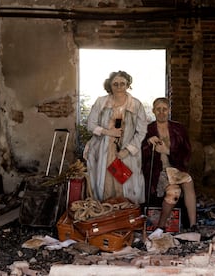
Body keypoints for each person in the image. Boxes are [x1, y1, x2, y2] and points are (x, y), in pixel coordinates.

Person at [84, 70, 147, 204]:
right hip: (103, 150)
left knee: (125, 183)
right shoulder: (101, 102)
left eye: (122, 84)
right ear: (110, 85)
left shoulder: (136, 105)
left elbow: (141, 131)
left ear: (127, 85)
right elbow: (90, 125)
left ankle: (125, 215)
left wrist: (127, 150)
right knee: (105, 182)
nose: (119, 87)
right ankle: (106, 213)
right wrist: (108, 132)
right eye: (115, 84)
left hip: (126, 152)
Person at [142, 97, 197, 231]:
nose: (161, 112)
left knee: (188, 182)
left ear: (169, 110)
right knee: (174, 191)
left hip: (176, 168)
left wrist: (167, 150)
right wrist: (149, 143)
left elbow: (187, 152)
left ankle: (193, 225)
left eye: (164, 109)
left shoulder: (178, 129)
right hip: (157, 171)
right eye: (158, 109)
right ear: (153, 111)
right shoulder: (147, 130)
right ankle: (160, 227)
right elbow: (140, 155)